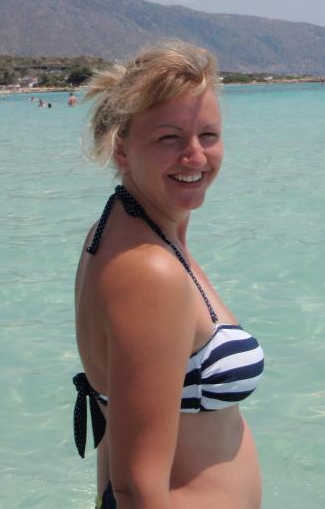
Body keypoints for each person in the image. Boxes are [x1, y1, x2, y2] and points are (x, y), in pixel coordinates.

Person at [72, 42, 263, 509]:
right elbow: (136, 488)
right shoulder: (148, 269)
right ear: (121, 147)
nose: (195, 156)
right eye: (169, 138)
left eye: (208, 135)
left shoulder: (127, 227)